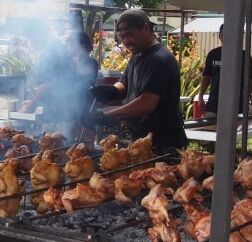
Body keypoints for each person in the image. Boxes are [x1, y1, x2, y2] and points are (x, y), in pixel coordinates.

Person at [87, 9, 188, 154]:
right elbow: (125, 84)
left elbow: (146, 104)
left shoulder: (159, 60)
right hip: (142, 140)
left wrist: (107, 116)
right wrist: (107, 91)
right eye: (122, 37)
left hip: (164, 143)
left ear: (146, 27)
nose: (126, 41)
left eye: (130, 35)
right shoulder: (137, 55)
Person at [20, 20, 79, 136]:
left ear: (40, 34)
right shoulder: (59, 47)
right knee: (64, 149)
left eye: (31, 38)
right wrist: (34, 101)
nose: (31, 43)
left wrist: (32, 104)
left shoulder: (50, 52)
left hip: (58, 114)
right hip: (67, 110)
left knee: (54, 148)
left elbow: (47, 84)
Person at [197, 23, 252, 121]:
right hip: (214, 105)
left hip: (236, 106)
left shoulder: (244, 56)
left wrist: (247, 95)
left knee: (234, 133)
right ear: (220, 36)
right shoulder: (213, 54)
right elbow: (206, 76)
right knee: (204, 130)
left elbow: (251, 78)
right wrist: (200, 97)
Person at [68, 31, 99, 141]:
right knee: (71, 140)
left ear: (83, 45)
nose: (70, 47)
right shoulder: (70, 62)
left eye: (72, 43)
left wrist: (79, 59)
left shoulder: (92, 62)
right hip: (71, 105)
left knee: (86, 138)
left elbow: (82, 77)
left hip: (85, 104)